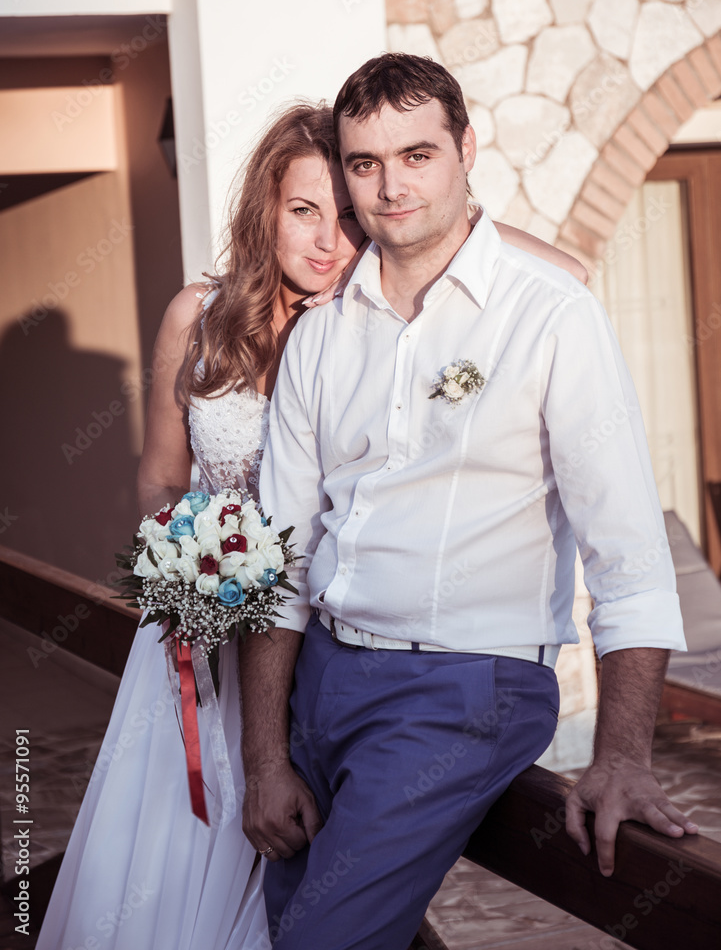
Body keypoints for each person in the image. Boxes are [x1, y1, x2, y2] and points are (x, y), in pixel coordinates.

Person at [36, 100, 583, 950]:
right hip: (204, 632)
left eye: (346, 215)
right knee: (186, 842)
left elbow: (572, 267)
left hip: (319, 645)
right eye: (302, 212)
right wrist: (191, 563)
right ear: (266, 210)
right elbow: (159, 473)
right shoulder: (198, 314)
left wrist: (447, 208)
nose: (328, 242)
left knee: (324, 864)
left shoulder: (375, 323)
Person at [241, 55, 698, 950]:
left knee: (318, 941)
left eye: (417, 154)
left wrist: (620, 756)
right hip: (319, 684)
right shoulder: (321, 336)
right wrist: (265, 756)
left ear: (466, 150)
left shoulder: (550, 317)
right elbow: (281, 559)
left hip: (462, 689)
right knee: (291, 926)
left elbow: (629, 556)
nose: (390, 184)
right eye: (364, 163)